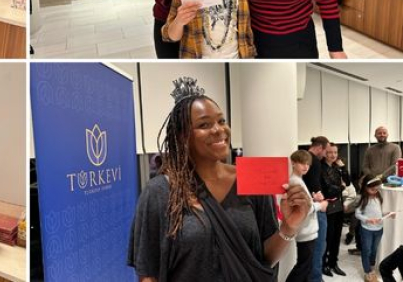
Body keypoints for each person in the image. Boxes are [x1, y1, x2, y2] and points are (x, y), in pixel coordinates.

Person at [128, 78, 310, 281]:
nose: (218, 130)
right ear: (182, 136)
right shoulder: (160, 191)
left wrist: (289, 227)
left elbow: (264, 260)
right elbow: (148, 272)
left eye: (221, 121)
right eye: (204, 124)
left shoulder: (251, 178)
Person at [286, 150, 326, 282]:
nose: (306, 166)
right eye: (302, 163)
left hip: (307, 230)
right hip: (305, 231)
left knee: (305, 267)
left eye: (308, 164)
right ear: (293, 163)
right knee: (303, 267)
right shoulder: (295, 182)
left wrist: (313, 200)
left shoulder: (298, 180)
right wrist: (320, 205)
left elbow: (303, 205)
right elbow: (303, 209)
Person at [356, 175, 397, 282]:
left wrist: (388, 214)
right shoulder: (362, 198)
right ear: (366, 187)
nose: (375, 191)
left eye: (377, 189)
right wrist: (367, 220)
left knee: (374, 250)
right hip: (366, 230)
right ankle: (367, 271)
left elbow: (379, 213)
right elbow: (357, 214)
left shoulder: (378, 197)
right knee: (367, 250)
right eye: (372, 189)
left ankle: (371, 267)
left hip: (379, 229)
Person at [303, 136, 329, 282]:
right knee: (319, 247)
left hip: (308, 209)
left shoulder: (305, 158)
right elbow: (315, 187)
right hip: (316, 209)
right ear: (320, 148)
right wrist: (322, 201)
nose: (325, 155)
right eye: (325, 151)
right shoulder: (314, 161)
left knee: (312, 248)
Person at [321, 142, 348, 277]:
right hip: (328, 207)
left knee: (337, 236)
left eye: (335, 152)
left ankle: (333, 263)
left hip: (338, 206)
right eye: (330, 152)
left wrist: (343, 168)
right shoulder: (321, 168)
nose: (333, 155)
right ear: (324, 153)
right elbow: (329, 190)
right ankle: (324, 264)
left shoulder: (337, 167)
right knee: (328, 237)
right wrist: (342, 187)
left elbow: (348, 182)